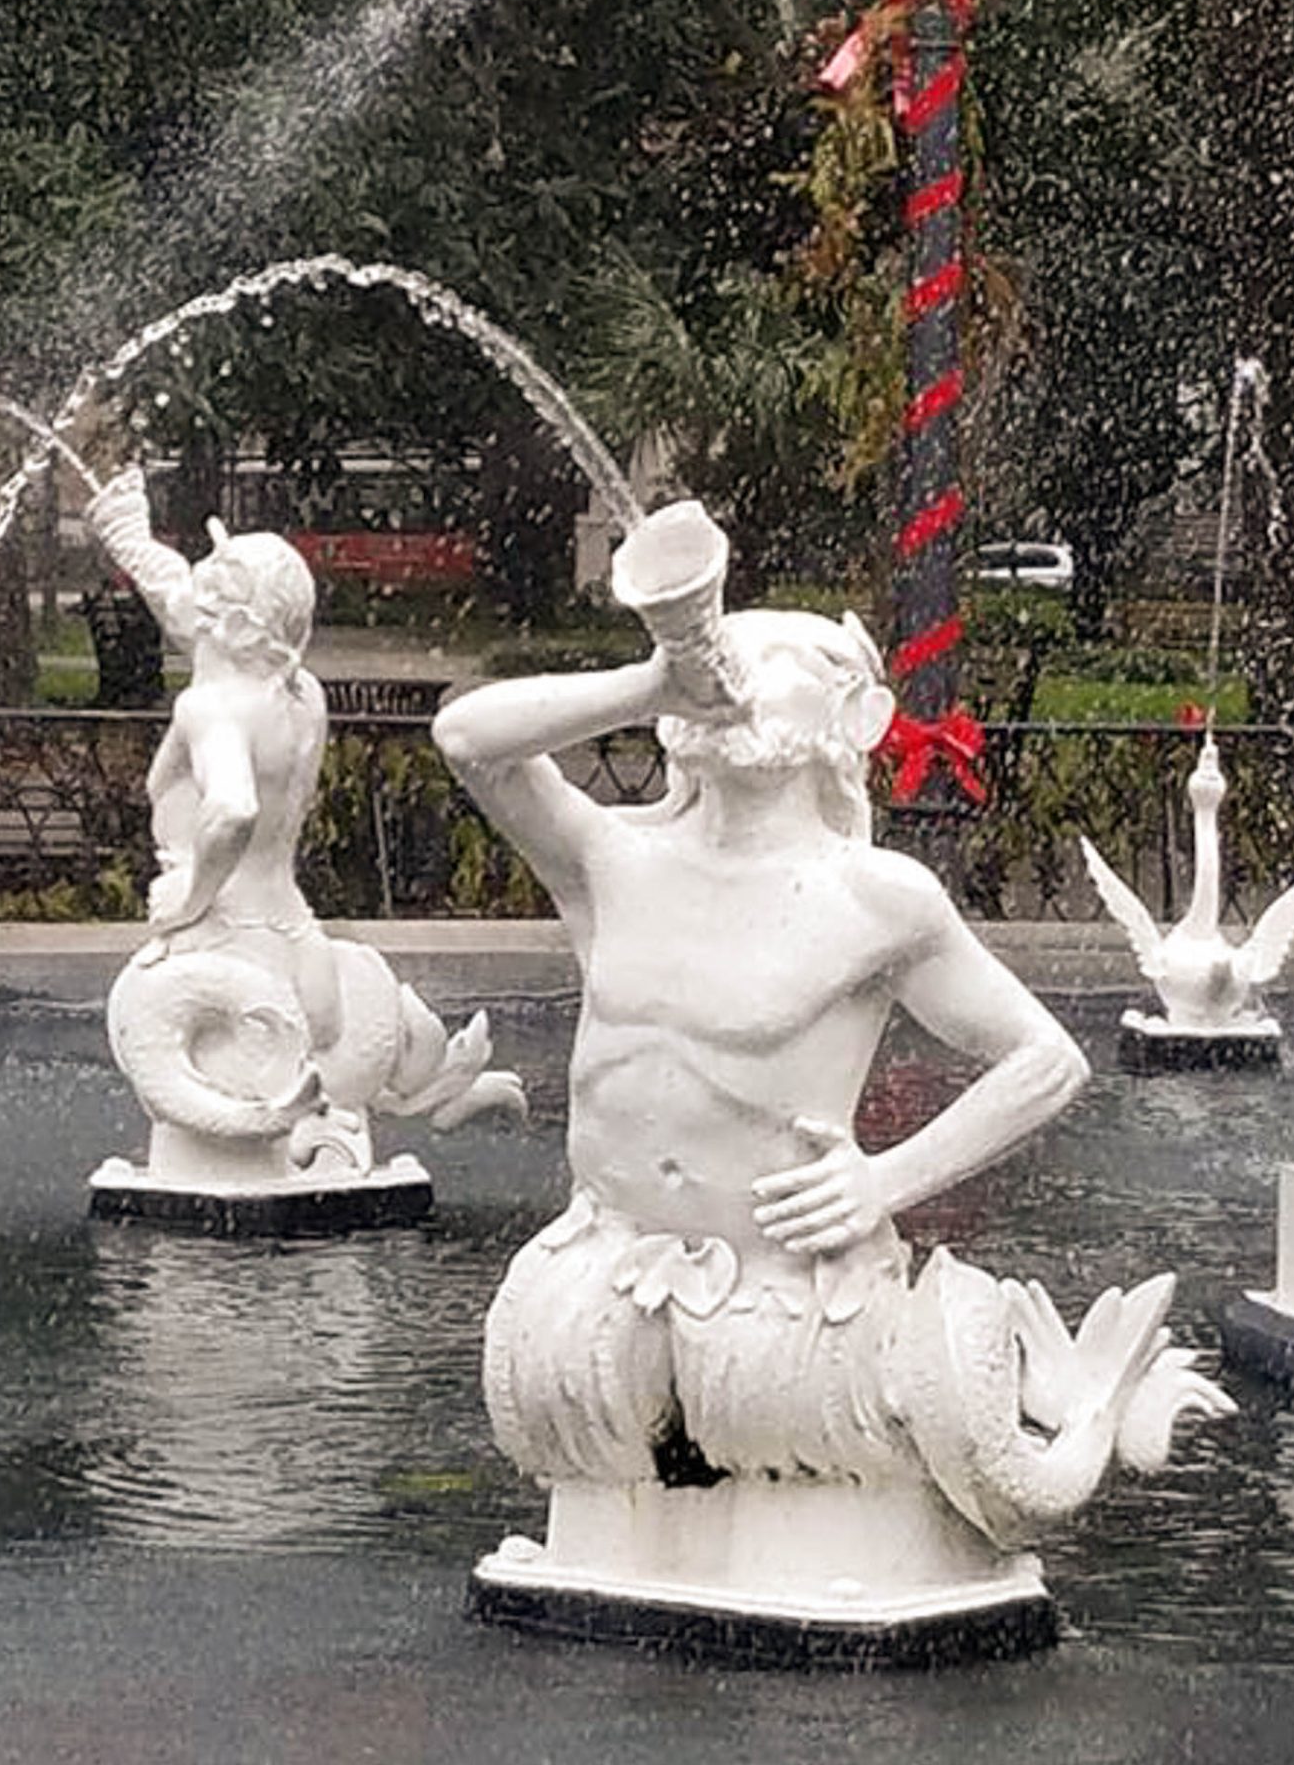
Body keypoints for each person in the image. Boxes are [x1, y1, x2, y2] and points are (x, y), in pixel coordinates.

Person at [432, 502, 1091, 1487]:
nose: (738, 672)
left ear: (853, 718)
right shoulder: (611, 858)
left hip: (788, 1311)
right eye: (726, 652)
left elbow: (1047, 1062)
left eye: (776, 657)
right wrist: (652, 678)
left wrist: (884, 1179)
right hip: (589, 1286)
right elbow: (464, 736)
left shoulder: (874, 898)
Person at [87, 467, 523, 1171]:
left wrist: (186, 898)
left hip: (225, 945)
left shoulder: (212, 707)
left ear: (230, 620)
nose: (195, 585)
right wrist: (131, 539)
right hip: (298, 940)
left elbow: (230, 810)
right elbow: (185, 606)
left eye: (213, 578)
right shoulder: (299, 693)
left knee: (173, 1072)